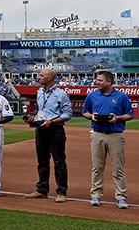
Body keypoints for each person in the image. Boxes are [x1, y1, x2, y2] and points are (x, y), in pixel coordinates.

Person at [82, 70, 133, 209]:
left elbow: (129, 114)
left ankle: (121, 197)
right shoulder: (92, 95)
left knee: (118, 168)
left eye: (99, 80)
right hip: (97, 133)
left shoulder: (121, 96)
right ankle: (96, 195)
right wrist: (91, 116)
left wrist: (117, 118)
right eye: (96, 80)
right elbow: (85, 112)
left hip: (116, 135)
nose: (96, 82)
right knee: (97, 167)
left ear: (108, 82)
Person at [24, 68, 71, 203]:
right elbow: (42, 111)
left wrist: (51, 122)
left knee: (59, 161)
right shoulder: (39, 92)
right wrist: (34, 118)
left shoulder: (61, 94)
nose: (38, 77)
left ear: (50, 78)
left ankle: (61, 192)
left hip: (55, 130)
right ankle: (41, 190)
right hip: (41, 129)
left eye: (41, 75)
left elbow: (67, 114)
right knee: (42, 161)